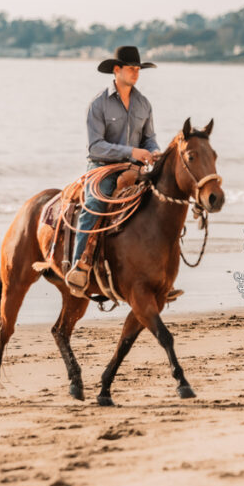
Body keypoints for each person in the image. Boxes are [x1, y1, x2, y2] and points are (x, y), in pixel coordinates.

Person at [64, 45, 162, 297]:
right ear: (116, 70)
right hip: (102, 168)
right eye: (131, 68)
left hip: (136, 168)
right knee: (94, 205)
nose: (136, 73)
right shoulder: (98, 104)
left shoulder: (144, 104)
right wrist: (130, 152)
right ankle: (79, 266)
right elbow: (96, 146)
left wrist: (155, 151)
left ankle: (158, 272)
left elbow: (149, 139)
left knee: (161, 205)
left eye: (138, 69)